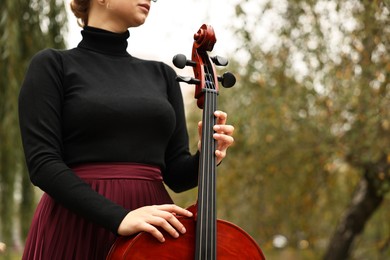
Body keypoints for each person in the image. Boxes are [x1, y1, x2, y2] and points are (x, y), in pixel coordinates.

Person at [18, 0, 235, 259]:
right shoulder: (53, 65)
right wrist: (119, 218)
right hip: (77, 223)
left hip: (152, 229)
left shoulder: (162, 75)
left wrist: (206, 154)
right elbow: (43, 163)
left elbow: (177, 175)